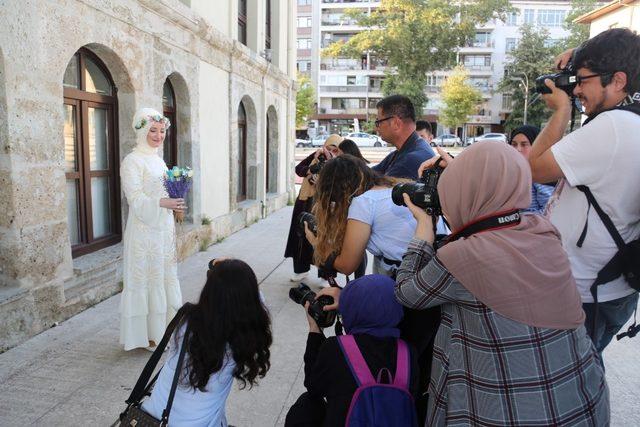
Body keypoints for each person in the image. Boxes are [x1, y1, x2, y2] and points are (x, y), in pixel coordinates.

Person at [398, 141, 609, 426]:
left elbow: (407, 293)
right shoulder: (542, 229)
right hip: (576, 397)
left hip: (505, 409)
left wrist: (424, 229)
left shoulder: (463, 256)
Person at [529, 28, 640, 354]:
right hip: (613, 282)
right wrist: (581, 54)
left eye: (582, 80)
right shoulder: (631, 119)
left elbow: (533, 168)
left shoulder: (614, 127)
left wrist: (561, 111)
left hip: (587, 290)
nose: (575, 90)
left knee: (575, 383)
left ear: (618, 81)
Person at [142, 258, 272, 426]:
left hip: (153, 418)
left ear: (209, 290)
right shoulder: (240, 342)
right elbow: (256, 300)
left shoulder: (185, 322)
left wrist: (220, 269)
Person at [285, 274, 419, 427]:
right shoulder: (409, 353)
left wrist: (315, 329)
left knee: (306, 405)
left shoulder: (336, 348)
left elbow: (313, 386)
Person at [120, 108, 184, 351]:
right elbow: (135, 200)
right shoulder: (132, 161)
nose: (158, 136)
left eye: (162, 131)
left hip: (162, 230)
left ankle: (162, 332)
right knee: (146, 279)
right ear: (142, 131)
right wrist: (162, 202)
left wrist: (176, 202)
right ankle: (146, 336)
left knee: (162, 276)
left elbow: (163, 191)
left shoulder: (158, 159)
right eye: (153, 131)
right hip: (144, 232)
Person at [304, 155, 415, 278]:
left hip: (411, 278)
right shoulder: (393, 188)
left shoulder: (364, 202)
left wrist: (315, 243)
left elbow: (346, 266)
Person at [284, 134, 343, 283]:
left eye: (335, 150)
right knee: (301, 237)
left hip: (326, 204)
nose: (330, 152)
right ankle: (300, 270)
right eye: (329, 148)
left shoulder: (341, 161)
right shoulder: (316, 155)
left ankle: (326, 275)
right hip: (305, 202)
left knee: (324, 239)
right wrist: (312, 169)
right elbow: (299, 169)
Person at [372, 95, 435, 180]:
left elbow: (373, 187)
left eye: (378, 122)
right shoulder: (406, 149)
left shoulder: (410, 160)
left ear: (395, 123)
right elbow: (371, 173)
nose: (375, 128)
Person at [509, 125, 555, 213]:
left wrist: (518, 219)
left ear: (537, 146)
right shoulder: (513, 170)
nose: (518, 149)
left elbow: (550, 212)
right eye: (514, 144)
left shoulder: (542, 174)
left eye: (524, 144)